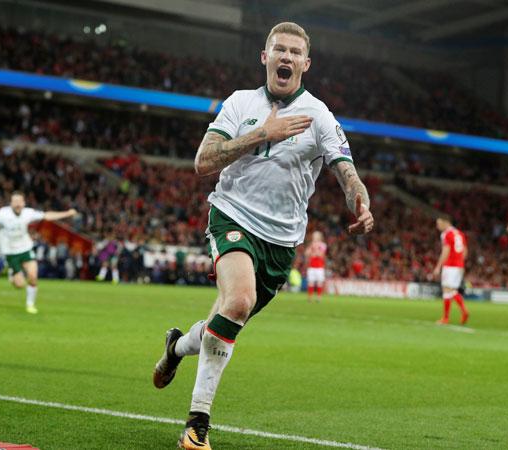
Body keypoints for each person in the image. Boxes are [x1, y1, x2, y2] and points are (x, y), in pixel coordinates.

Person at [152, 22, 374, 450]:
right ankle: (197, 423)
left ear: (306, 63)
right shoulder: (240, 104)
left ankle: (176, 347)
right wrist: (260, 135)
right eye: (279, 50)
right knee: (237, 302)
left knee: (225, 322)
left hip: (282, 240)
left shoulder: (320, 116)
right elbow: (203, 162)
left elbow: (347, 173)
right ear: (264, 56)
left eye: (294, 52)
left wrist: (359, 200)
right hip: (232, 214)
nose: (286, 57)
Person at [0, 191, 77, 314]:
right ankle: (12, 273)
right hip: (11, 252)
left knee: (33, 277)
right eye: (15, 201)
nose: (17, 204)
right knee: (20, 285)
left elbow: (47, 216)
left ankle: (30, 305)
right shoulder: (4, 213)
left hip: (26, 249)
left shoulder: (28, 213)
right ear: (11, 203)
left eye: (19, 201)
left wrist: (67, 213)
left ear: (24, 203)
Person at [432, 217, 469, 325]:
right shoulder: (460, 233)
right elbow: (465, 250)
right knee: (451, 290)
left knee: (447, 290)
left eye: (439, 223)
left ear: (446, 222)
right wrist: (461, 264)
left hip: (450, 265)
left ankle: (447, 317)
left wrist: (438, 266)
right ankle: (461, 312)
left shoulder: (446, 234)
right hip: (459, 265)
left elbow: (446, 251)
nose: (437, 226)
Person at [305, 230, 327, 302]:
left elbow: (321, 255)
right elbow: (306, 253)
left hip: (319, 266)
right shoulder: (311, 244)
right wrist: (312, 250)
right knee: (310, 282)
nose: (314, 237)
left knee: (319, 282)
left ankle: (318, 298)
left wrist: (315, 251)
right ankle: (310, 298)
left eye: (315, 236)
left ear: (319, 237)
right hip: (311, 266)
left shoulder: (323, 245)